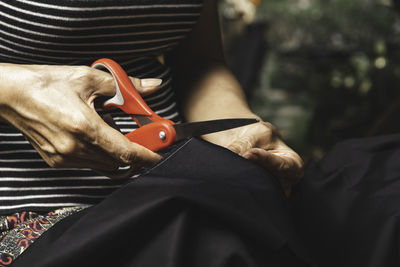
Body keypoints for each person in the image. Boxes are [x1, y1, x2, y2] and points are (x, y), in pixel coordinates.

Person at [0, 0, 303, 264]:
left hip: (168, 193)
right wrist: (12, 92)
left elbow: (200, 65)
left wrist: (239, 129)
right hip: (23, 215)